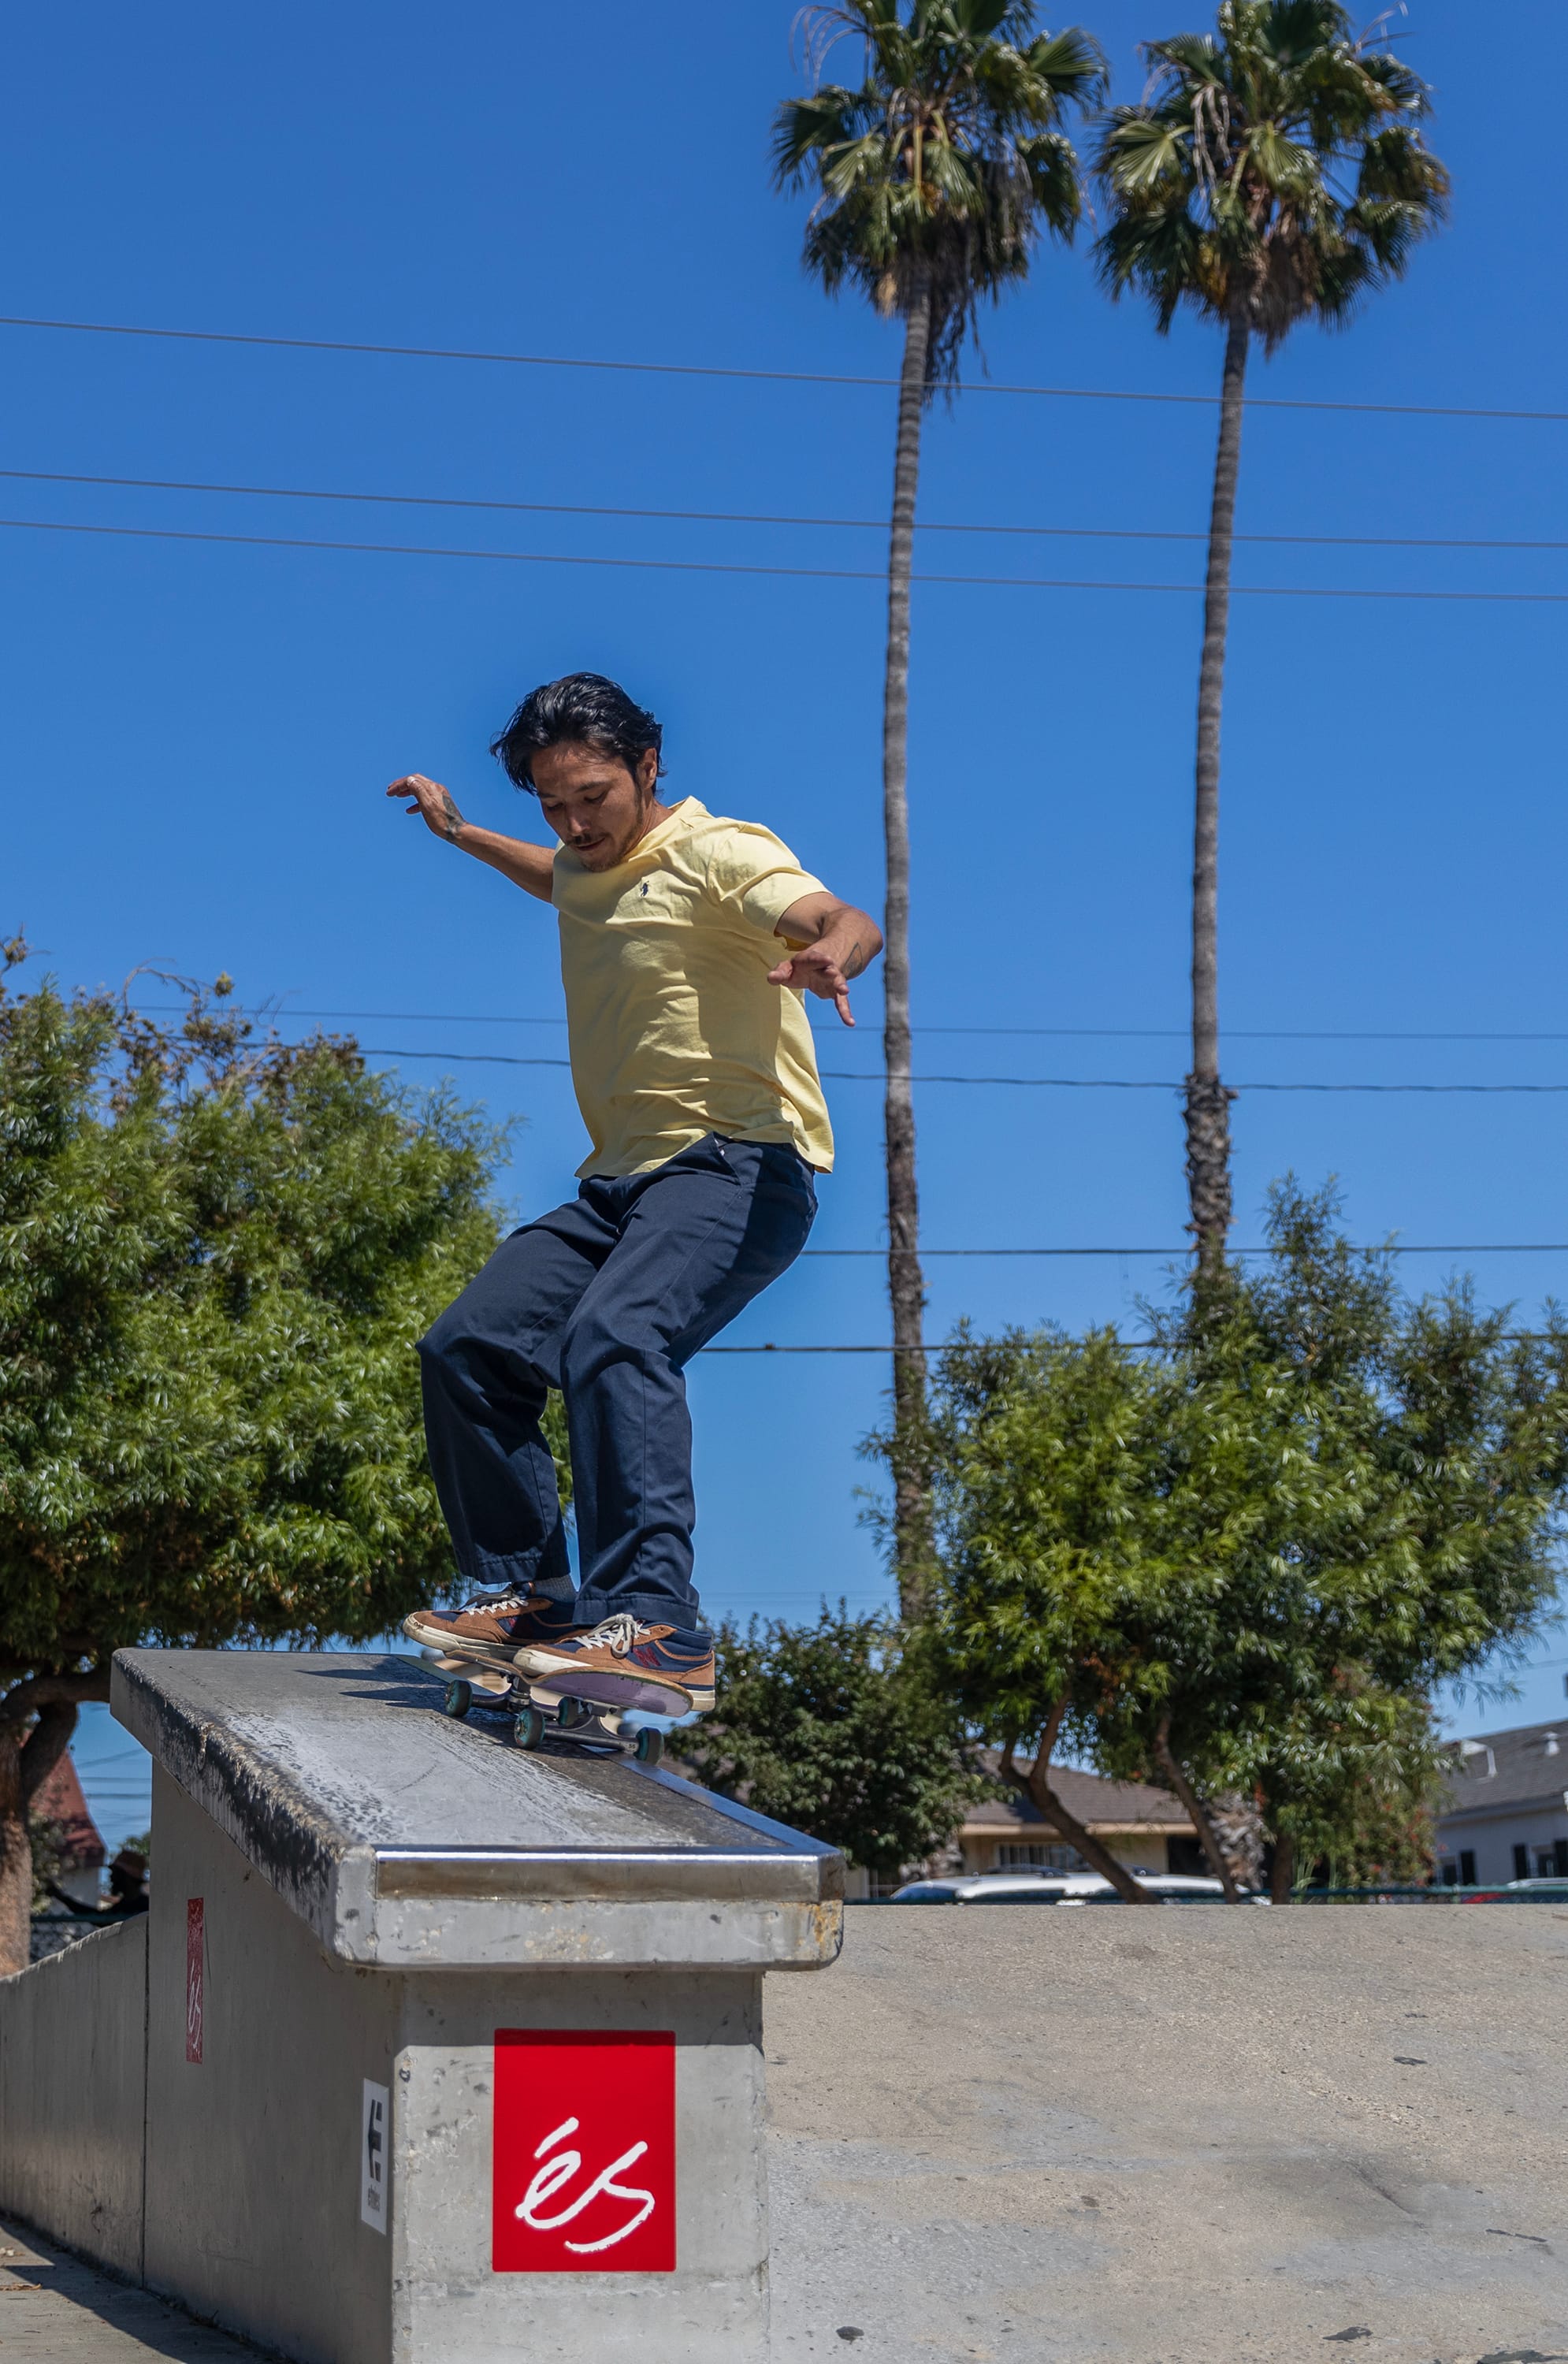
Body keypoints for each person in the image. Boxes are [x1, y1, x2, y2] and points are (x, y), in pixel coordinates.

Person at [388, 673, 882, 1722]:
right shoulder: (581, 865)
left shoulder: (719, 853)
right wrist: (460, 833)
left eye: (594, 797)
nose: (575, 822)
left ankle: (657, 1624)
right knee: (467, 1348)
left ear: (649, 768)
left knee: (614, 1334)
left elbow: (837, 913)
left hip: (739, 1167)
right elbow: (561, 879)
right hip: (620, 1188)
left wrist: (831, 953)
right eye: (553, 802)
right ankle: (534, 1601)